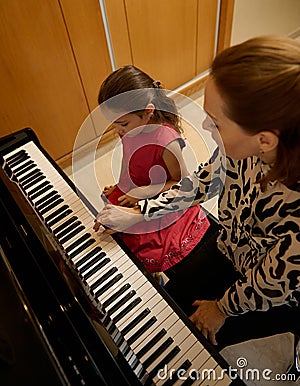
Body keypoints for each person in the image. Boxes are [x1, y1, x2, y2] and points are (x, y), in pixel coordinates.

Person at [96, 36, 300, 350]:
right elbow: (199, 183)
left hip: (272, 293)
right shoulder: (239, 151)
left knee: (187, 340)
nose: (204, 126)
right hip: (234, 250)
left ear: (265, 140)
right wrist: (138, 214)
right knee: (164, 308)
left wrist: (222, 307)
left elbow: (275, 280)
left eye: (215, 121)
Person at [94, 65, 210, 276]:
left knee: (144, 249)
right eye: (114, 124)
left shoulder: (166, 141)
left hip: (161, 196)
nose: (118, 130)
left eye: (122, 123)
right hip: (138, 187)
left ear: (147, 112)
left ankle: (155, 279)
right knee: (110, 226)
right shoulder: (130, 129)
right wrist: (122, 184)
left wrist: (142, 193)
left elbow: (180, 183)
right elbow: (128, 158)